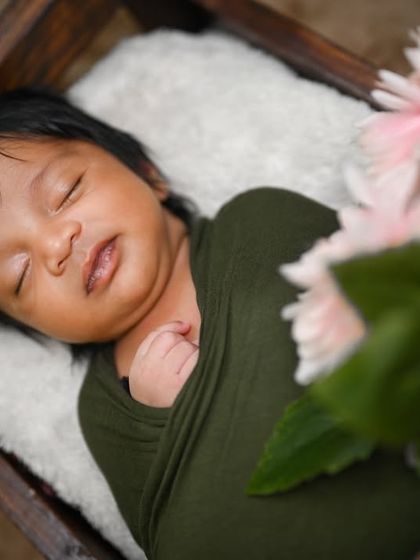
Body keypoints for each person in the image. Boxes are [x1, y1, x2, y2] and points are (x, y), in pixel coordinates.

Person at [0, 89, 419, 560]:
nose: (57, 245)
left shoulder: (256, 221)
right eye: (21, 275)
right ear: (42, 331)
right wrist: (163, 414)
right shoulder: (102, 406)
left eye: (66, 192)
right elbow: (160, 527)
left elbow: (380, 291)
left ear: (147, 173)